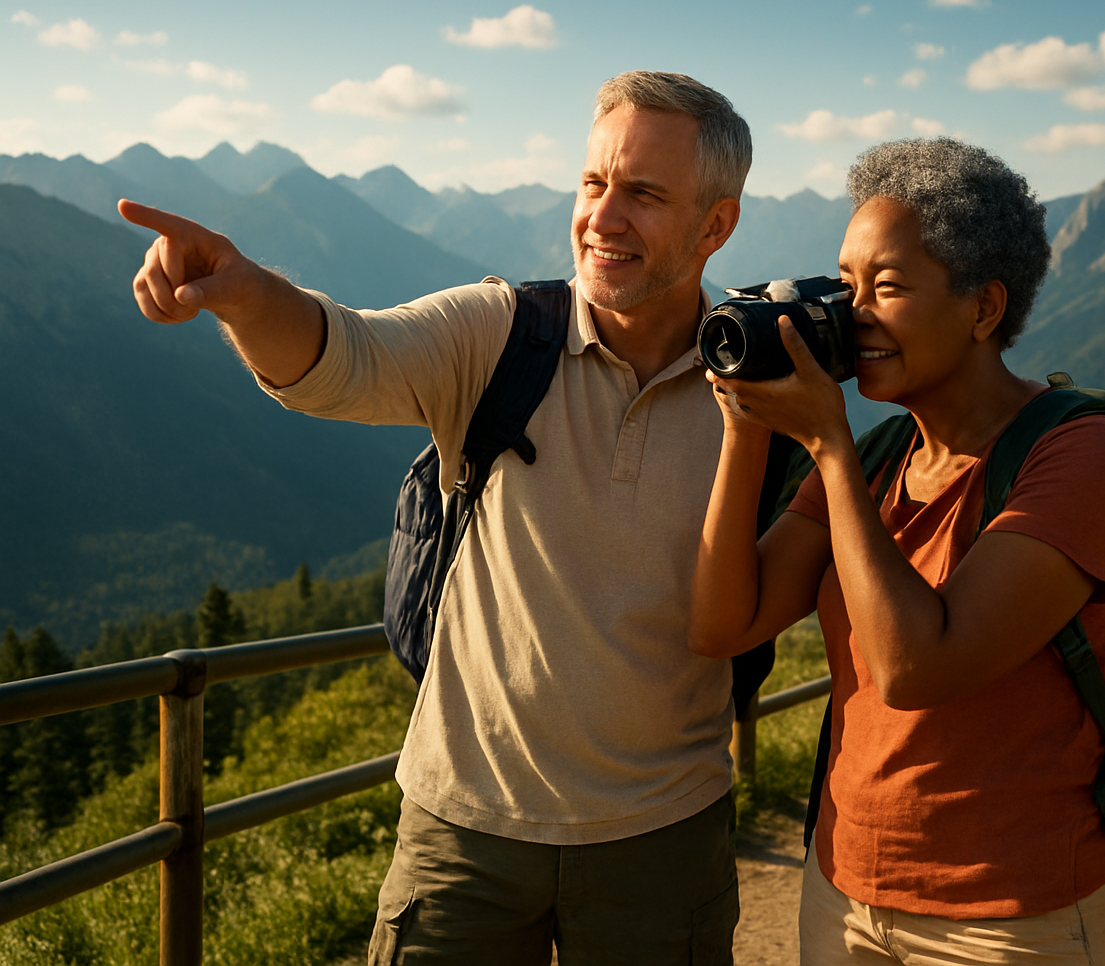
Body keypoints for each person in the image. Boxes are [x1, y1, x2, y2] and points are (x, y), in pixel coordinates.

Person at [122, 71, 752, 965]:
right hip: (464, 832)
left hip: (662, 837)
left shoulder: (759, 382)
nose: (603, 218)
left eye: (644, 194)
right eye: (593, 183)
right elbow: (347, 356)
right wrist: (246, 292)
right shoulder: (500, 334)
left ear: (716, 224)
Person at [690, 137, 1105, 964]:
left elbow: (914, 668)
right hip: (844, 889)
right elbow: (727, 622)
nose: (852, 311)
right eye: (847, 282)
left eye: (888, 287)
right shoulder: (879, 459)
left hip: (1011, 914)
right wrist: (745, 429)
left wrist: (828, 446)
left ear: (982, 309)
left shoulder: (1085, 455)